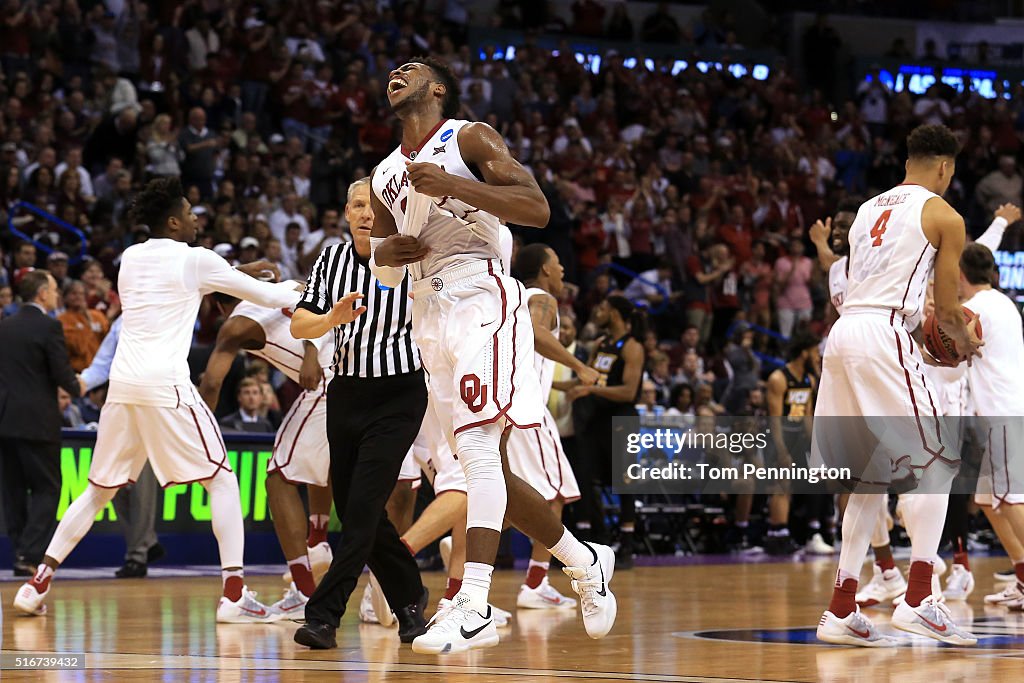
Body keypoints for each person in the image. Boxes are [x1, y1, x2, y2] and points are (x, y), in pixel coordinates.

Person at [370, 57, 616, 654]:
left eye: (410, 71)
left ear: (438, 88)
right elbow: (378, 258)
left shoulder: (469, 137)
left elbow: (537, 209)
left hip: (481, 291)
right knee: (487, 472)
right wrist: (391, 251)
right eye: (391, 72)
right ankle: (584, 562)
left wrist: (452, 184)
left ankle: (474, 602)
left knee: (478, 451)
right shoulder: (382, 175)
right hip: (425, 311)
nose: (395, 76)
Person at [12, 177, 333, 623]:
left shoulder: (130, 257)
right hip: (166, 385)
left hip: (123, 387)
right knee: (222, 480)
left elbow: (218, 281)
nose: (197, 218)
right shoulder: (195, 260)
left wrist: (244, 270)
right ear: (173, 221)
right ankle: (234, 594)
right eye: (190, 212)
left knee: (97, 491)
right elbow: (268, 294)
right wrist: (308, 292)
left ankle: (36, 584)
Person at [813, 124, 980, 647]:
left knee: (867, 478)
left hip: (844, 335)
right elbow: (949, 310)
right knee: (939, 460)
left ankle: (842, 608)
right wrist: (964, 345)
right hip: (885, 333)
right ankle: (920, 600)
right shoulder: (944, 214)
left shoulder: (866, 211)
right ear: (946, 167)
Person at [290, 176, 430, 650]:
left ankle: (325, 615)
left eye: (374, 205)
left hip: (399, 393)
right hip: (346, 393)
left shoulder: (411, 255)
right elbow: (298, 322)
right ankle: (410, 599)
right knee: (355, 509)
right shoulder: (330, 259)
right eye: (357, 205)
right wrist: (333, 318)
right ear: (347, 213)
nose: (367, 213)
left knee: (364, 506)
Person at [199, 283, 335, 618]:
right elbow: (316, 297)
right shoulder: (279, 285)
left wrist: (197, 432)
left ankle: (305, 593)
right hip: (359, 365)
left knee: (279, 477)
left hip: (329, 379)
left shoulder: (234, 325)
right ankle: (318, 541)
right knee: (314, 461)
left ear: (216, 307)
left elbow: (213, 383)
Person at [507, 243, 600, 609]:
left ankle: (466, 538)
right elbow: (538, 334)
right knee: (556, 494)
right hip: (529, 410)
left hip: (506, 406)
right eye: (559, 263)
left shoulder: (511, 297)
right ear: (545, 270)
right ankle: (535, 584)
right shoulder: (542, 298)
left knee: (511, 495)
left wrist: (562, 384)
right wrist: (579, 366)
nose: (563, 271)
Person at [0, 270, 84, 576]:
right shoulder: (50, 326)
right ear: (42, 294)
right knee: (48, 489)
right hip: (38, 422)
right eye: (53, 289)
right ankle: (30, 553)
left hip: (5, 421)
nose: (57, 294)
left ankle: (20, 552)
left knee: (13, 490)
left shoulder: (4, 326)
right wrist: (80, 387)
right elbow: (61, 372)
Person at [77, 315, 165, 579]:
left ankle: (137, 555)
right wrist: (76, 383)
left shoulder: (166, 315)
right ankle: (146, 542)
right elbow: (100, 366)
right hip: (118, 403)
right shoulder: (121, 322)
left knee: (141, 485)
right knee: (112, 482)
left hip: (151, 405)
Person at [566, 295, 646, 569]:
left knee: (625, 483)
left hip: (622, 419)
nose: (597, 311)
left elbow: (629, 391)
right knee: (586, 480)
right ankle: (589, 545)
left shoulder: (632, 347)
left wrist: (590, 389)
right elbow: (582, 380)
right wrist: (547, 384)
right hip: (595, 419)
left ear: (614, 313)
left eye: (602, 308)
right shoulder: (600, 344)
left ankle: (627, 545)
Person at [58, 280, 110, 371]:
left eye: (81, 294)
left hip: (102, 370)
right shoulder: (62, 320)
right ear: (65, 297)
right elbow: (78, 348)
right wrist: (88, 322)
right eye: (74, 293)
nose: (78, 297)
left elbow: (109, 341)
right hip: (78, 372)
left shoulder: (97, 315)